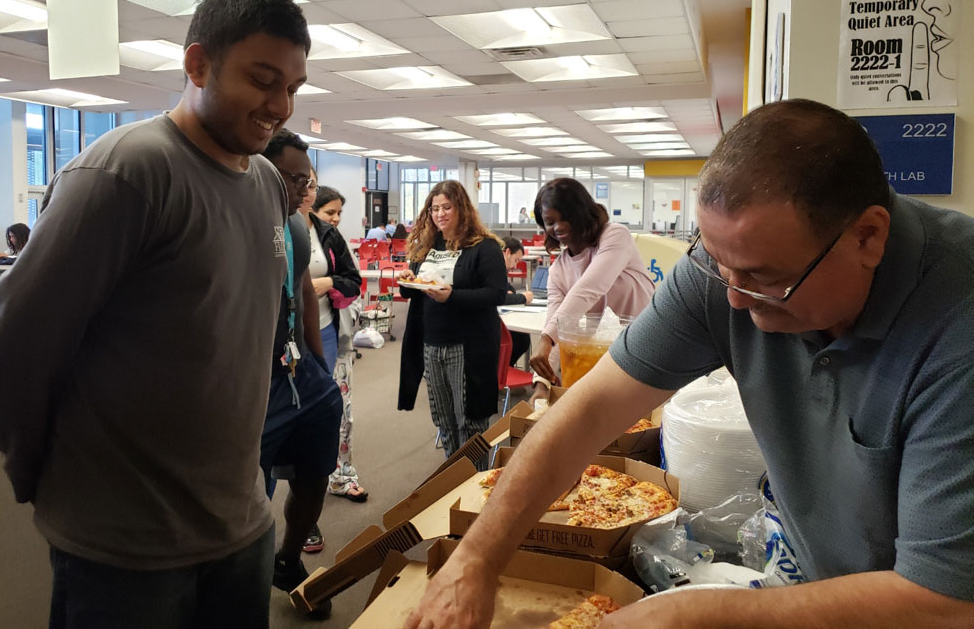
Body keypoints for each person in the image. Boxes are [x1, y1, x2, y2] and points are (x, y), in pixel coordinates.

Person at [404, 99, 974, 629]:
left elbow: (946, 602)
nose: (733, 298)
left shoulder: (957, 324)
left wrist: (688, 615)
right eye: (716, 263)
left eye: (765, 279)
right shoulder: (731, 267)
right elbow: (590, 410)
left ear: (868, 236)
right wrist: (475, 557)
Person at [0, 0, 310, 629]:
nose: (280, 106)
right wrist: (38, 472)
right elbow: (18, 341)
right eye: (263, 79)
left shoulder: (267, 183)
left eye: (293, 87)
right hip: (125, 550)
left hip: (240, 528)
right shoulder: (126, 173)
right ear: (196, 65)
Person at [258, 131, 341, 606]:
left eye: (304, 179)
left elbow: (304, 290)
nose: (299, 188)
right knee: (251, 493)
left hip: (299, 370)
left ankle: (288, 558)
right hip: (252, 379)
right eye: (287, 178)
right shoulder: (240, 218)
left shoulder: (293, 225)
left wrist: (318, 365)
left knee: (315, 470)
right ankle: (242, 577)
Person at [398, 180, 507, 465]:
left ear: (462, 209)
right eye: (435, 208)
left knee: (470, 421)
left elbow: (496, 293)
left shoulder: (485, 247)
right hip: (432, 342)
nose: (440, 214)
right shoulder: (427, 247)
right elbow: (413, 290)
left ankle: (475, 480)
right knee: (444, 420)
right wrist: (409, 281)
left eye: (447, 207)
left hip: (468, 344)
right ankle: (453, 478)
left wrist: (452, 297)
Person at [528, 177, 655, 395]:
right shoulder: (558, 270)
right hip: (608, 360)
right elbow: (557, 322)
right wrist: (542, 383)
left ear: (581, 212)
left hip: (649, 348)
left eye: (565, 217)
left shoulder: (614, 236)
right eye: (550, 221)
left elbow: (589, 287)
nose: (558, 227)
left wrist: (546, 338)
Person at [308, 184, 369, 504]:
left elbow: (353, 283)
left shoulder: (333, 240)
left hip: (337, 335)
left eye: (339, 213)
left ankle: (342, 475)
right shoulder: (290, 236)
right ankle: (312, 478)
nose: (335, 219)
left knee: (342, 412)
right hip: (298, 341)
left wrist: (330, 284)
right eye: (329, 212)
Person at [500, 237, 534, 366]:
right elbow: (500, 297)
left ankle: (504, 369)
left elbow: (507, 289)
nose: (515, 265)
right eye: (516, 260)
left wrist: (511, 293)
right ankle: (503, 369)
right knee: (521, 339)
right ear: (507, 252)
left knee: (521, 338)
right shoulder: (493, 268)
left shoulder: (498, 268)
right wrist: (523, 297)